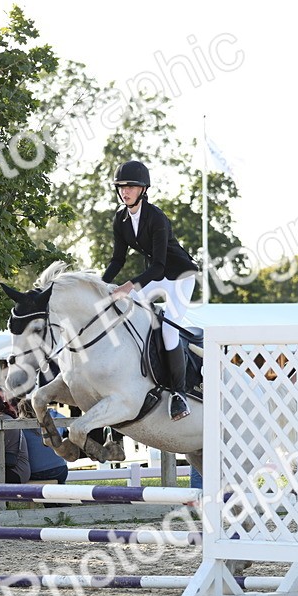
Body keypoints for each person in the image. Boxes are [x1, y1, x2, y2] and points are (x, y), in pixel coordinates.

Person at [103, 160, 200, 421]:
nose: (126, 191)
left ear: (143, 189)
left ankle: (179, 395)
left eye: (132, 186)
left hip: (179, 276)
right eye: (122, 186)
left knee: (169, 329)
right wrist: (103, 285)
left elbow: (158, 267)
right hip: (156, 277)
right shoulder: (121, 219)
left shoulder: (156, 217)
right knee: (121, 310)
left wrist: (127, 286)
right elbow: (117, 260)